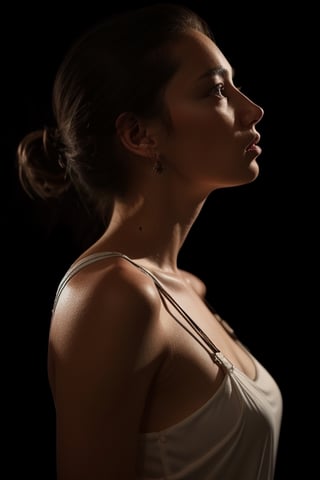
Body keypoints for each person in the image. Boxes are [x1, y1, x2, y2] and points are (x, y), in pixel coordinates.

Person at [16, 3, 283, 479]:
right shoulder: (110, 296)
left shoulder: (188, 290)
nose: (253, 109)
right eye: (217, 90)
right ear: (140, 134)